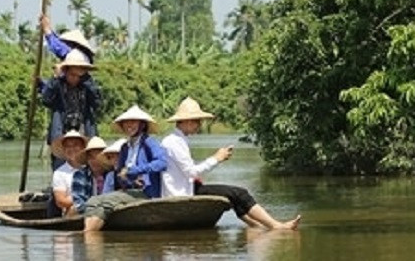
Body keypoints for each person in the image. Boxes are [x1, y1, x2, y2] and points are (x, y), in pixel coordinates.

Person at [161, 97, 301, 230]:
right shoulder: (174, 142)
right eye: (198, 122)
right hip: (183, 193)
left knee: (234, 195)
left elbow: (187, 172)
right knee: (239, 193)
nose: (199, 126)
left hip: (187, 188)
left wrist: (215, 159)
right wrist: (216, 158)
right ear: (188, 121)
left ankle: (258, 226)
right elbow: (191, 172)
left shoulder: (176, 140)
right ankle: (276, 226)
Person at [83, 105, 167, 232]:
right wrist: (130, 180)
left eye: (133, 122)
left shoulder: (149, 142)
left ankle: (89, 237)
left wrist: (135, 171)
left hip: (147, 193)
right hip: (130, 191)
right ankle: (89, 236)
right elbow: (121, 175)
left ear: (142, 125)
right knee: (93, 201)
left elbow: (162, 162)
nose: (129, 125)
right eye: (126, 122)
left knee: (105, 202)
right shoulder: (125, 148)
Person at [36, 49, 102, 170]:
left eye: (79, 75)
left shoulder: (87, 86)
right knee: (60, 165)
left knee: (87, 165)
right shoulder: (57, 84)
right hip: (62, 131)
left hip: (83, 131)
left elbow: (97, 103)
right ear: (65, 71)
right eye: (72, 74)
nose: (75, 78)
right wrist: (55, 78)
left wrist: (87, 80)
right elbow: (46, 99)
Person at [50, 130, 88, 218]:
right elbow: (61, 201)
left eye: (75, 145)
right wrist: (84, 197)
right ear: (63, 149)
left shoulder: (91, 167)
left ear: (83, 147)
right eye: (68, 146)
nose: (72, 149)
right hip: (72, 212)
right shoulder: (59, 173)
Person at [69, 136, 109, 215]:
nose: (94, 161)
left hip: (109, 210)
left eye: (98, 157)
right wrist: (95, 208)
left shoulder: (112, 174)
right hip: (88, 212)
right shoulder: (80, 175)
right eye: (91, 157)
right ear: (87, 159)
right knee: (73, 209)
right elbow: (79, 202)